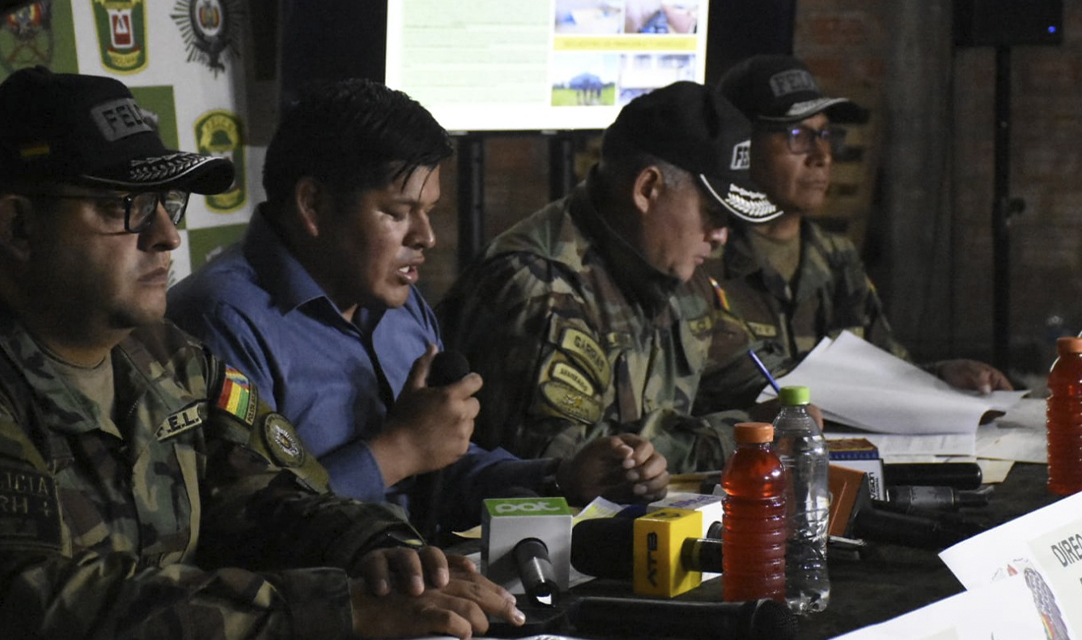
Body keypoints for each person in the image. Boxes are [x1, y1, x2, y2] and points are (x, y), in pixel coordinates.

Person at [0, 67, 522, 639]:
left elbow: (265, 493)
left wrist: (386, 551)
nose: (167, 235)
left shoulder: (165, 358)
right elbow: (37, 597)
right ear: (19, 227)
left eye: (167, 202)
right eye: (123, 207)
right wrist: (337, 609)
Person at [167, 78, 667, 538]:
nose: (425, 237)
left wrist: (561, 478)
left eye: (428, 212)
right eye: (399, 213)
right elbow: (236, 528)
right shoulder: (219, 321)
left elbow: (443, 474)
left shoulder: (396, 305)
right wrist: (395, 452)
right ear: (313, 204)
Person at [437, 81, 782, 474]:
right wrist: (742, 435)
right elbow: (578, 462)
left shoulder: (671, 270)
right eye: (713, 214)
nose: (720, 236)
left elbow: (749, 373)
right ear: (647, 188)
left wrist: (793, 407)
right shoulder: (540, 288)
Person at [692, 54, 1013, 413]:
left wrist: (940, 377)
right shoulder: (701, 257)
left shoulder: (835, 256)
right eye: (798, 136)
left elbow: (884, 371)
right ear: (742, 146)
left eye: (825, 135)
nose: (822, 156)